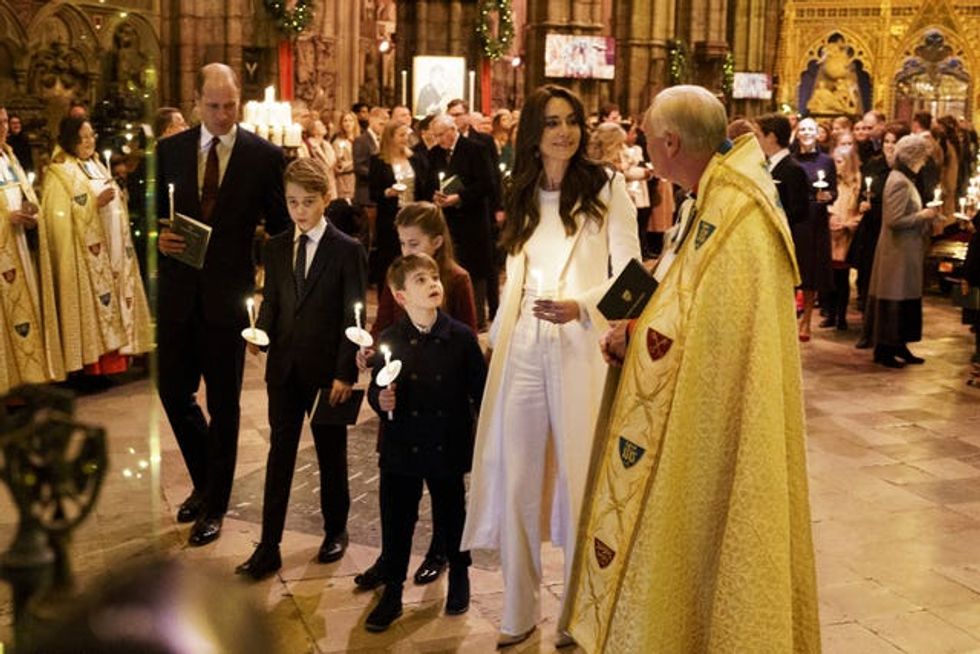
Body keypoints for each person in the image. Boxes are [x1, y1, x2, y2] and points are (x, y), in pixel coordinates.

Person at [565, 85, 820, 653]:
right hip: (681, 408)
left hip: (709, 424)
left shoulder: (740, 216)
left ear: (671, 143)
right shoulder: (706, 196)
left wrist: (635, 334)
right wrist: (631, 321)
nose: (644, 147)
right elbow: (678, 286)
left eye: (648, 138)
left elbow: (713, 335)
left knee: (706, 543)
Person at [461, 84, 640, 648]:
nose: (564, 132)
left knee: (578, 478)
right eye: (552, 122)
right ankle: (519, 609)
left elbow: (634, 276)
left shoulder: (606, 187)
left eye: (572, 121)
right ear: (533, 134)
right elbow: (515, 275)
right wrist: (496, 335)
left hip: (578, 342)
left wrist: (582, 307)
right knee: (517, 476)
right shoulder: (521, 190)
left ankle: (576, 612)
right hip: (524, 343)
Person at [156, 62, 290, 547]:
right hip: (177, 295)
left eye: (230, 105)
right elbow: (147, 214)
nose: (221, 115)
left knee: (224, 404)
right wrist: (156, 238)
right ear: (196, 102)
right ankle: (206, 479)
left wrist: (273, 300)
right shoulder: (169, 150)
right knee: (173, 392)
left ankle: (215, 504)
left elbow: (281, 228)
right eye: (212, 106)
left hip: (228, 299)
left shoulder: (263, 156)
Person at [235, 158, 367, 580]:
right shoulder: (276, 248)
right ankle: (268, 545)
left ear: (325, 199)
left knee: (331, 453)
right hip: (285, 369)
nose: (300, 211)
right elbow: (273, 301)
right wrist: (260, 333)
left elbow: (353, 314)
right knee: (280, 454)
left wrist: (345, 372)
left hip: (328, 371)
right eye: (292, 202)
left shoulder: (346, 250)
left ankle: (335, 530)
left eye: (308, 202)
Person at [354, 202, 476, 590]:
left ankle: (442, 553)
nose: (405, 251)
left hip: (441, 404)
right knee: (397, 494)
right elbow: (384, 327)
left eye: (413, 243)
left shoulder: (455, 280)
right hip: (402, 398)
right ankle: (390, 563)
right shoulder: (398, 279)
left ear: (436, 242)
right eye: (402, 243)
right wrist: (371, 352)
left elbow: (466, 340)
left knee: (445, 492)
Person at [362, 253, 487, 631]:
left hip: (446, 441)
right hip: (402, 445)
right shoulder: (391, 339)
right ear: (401, 297)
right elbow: (376, 389)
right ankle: (393, 590)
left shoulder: (460, 338)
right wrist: (381, 401)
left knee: (451, 513)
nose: (433, 283)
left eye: (434, 277)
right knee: (397, 518)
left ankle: (460, 574)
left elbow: (481, 391)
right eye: (420, 280)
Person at [42, 116, 152, 376]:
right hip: (84, 255)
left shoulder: (97, 164)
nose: (89, 141)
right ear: (70, 140)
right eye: (83, 137)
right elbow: (57, 216)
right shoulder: (60, 172)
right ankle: (93, 367)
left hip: (111, 247)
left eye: (91, 136)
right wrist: (94, 205)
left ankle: (120, 358)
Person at [864, 134, 943, 368]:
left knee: (905, 296)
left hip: (905, 250)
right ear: (913, 157)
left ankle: (899, 344)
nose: (924, 162)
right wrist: (924, 215)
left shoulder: (904, 179)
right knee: (896, 296)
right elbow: (894, 220)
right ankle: (885, 349)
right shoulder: (898, 181)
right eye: (922, 157)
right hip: (897, 252)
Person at [0, 106, 63, 394]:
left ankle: (29, 379)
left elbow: (24, 194)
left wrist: (30, 211)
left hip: (21, 246)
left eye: (5, 121)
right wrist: (6, 219)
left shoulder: (9, 157)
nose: (3, 127)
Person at [429, 114, 496, 330]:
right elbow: (430, 182)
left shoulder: (475, 149)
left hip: (472, 220)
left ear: (453, 130)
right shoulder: (435, 153)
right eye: (435, 136)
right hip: (448, 221)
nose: (438, 140)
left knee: (474, 271)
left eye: (441, 135)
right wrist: (436, 196)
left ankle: (476, 320)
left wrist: (459, 197)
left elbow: (487, 183)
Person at [368, 120, 435, 284]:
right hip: (390, 216)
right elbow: (373, 192)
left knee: (414, 259)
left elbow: (424, 185)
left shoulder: (415, 158)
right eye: (401, 135)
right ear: (390, 137)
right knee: (390, 259)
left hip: (414, 215)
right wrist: (387, 192)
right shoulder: (378, 161)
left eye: (407, 134)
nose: (405, 138)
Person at [793, 116, 836, 341]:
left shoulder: (826, 161)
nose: (807, 133)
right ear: (797, 133)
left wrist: (828, 196)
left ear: (817, 133)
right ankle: (789, 316)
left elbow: (834, 191)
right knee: (792, 270)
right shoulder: (791, 159)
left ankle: (807, 320)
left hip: (815, 219)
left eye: (811, 129)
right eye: (803, 129)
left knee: (811, 273)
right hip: (795, 219)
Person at [826, 143, 864, 330]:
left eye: (840, 161)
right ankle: (830, 314)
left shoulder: (857, 185)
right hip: (831, 234)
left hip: (846, 236)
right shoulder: (832, 182)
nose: (836, 165)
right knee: (830, 277)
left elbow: (861, 211)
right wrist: (830, 217)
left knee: (842, 278)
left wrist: (849, 224)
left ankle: (841, 316)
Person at [755, 113, 810, 230]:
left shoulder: (793, 169)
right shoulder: (766, 165)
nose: (756, 141)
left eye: (758, 136)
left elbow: (799, 211)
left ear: (772, 137)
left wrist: (769, 219)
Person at [332, 111, 360, 203]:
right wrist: (355, 163)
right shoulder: (338, 142)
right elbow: (339, 165)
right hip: (346, 179)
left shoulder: (360, 139)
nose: (348, 123)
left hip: (359, 180)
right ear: (341, 124)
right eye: (345, 121)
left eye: (350, 120)